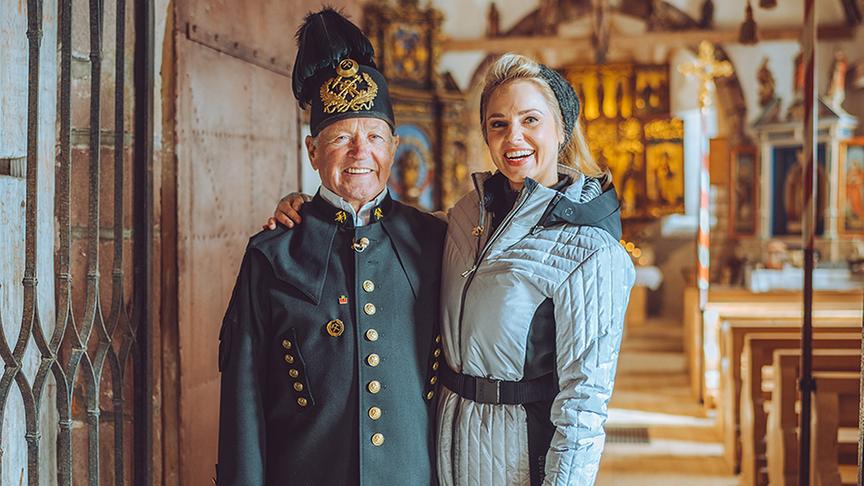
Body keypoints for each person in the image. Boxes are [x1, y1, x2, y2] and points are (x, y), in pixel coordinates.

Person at [271, 53, 635, 486]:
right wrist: (308, 212)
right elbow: (385, 229)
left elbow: (584, 406)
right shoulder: (467, 216)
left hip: (518, 452)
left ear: (561, 130)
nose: (513, 136)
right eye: (498, 124)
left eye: (531, 120)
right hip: (442, 447)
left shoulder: (591, 250)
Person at [217, 8, 445, 485]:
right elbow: (244, 403)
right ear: (312, 151)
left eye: (375, 137)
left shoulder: (436, 242)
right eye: (342, 137)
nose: (361, 152)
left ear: (394, 146)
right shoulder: (271, 255)